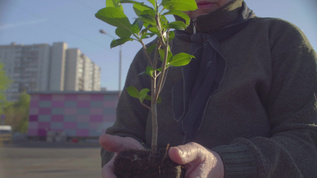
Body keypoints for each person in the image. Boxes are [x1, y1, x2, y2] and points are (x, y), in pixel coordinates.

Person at [100, 0, 317, 177]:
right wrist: (122, 157)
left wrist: (224, 165)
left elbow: (307, 141)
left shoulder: (278, 39)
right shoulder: (152, 54)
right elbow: (123, 132)